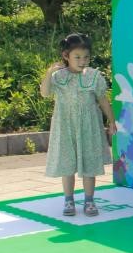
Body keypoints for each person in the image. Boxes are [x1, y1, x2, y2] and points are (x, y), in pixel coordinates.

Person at [41, 32, 116, 217]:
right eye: (77, 57)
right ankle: (69, 200)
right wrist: (49, 72)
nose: (83, 61)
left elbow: (103, 100)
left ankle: (89, 200)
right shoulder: (58, 76)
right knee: (67, 165)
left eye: (86, 57)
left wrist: (112, 121)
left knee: (89, 164)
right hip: (65, 127)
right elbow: (45, 93)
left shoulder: (94, 76)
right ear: (66, 56)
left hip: (89, 127)